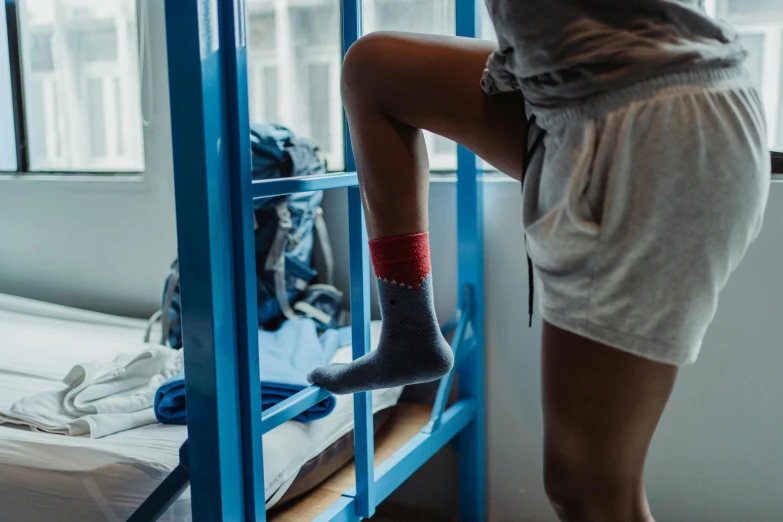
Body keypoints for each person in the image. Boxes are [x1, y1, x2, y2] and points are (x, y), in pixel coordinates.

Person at [308, 1, 771, 520]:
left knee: (588, 490)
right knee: (376, 70)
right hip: (573, 95)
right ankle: (409, 332)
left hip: (650, 117)